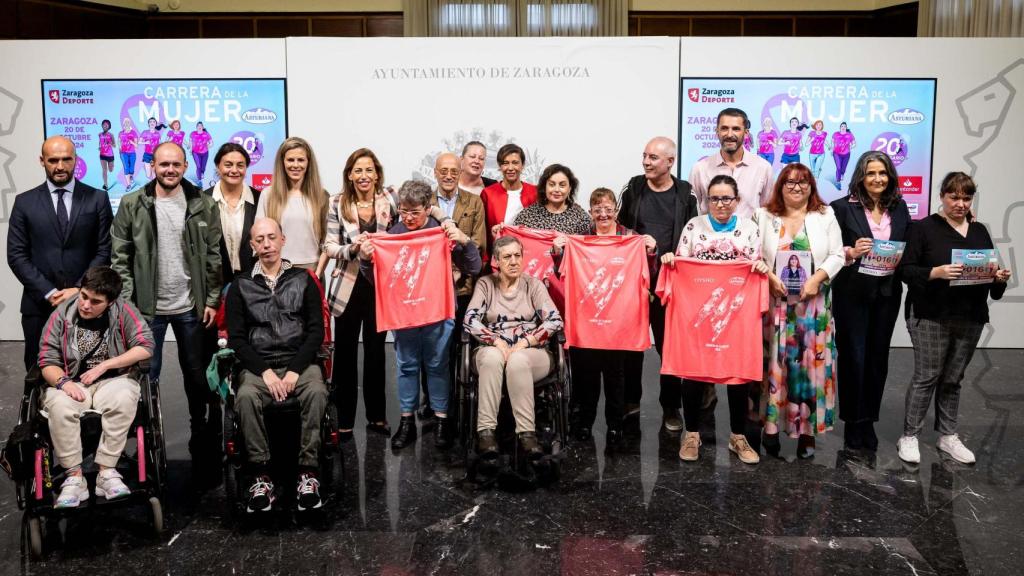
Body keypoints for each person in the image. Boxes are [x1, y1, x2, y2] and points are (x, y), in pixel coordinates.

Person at [111, 141, 223, 463]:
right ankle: (147, 433)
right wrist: (129, 304)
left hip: (191, 306)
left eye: (176, 164)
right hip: (148, 310)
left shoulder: (202, 203)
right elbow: (120, 258)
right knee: (148, 374)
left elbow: (214, 257)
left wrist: (212, 299)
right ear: (153, 166)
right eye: (163, 165)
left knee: (196, 374)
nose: (170, 170)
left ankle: (198, 428)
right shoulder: (132, 204)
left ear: (185, 166)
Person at [896, 172, 1011, 465]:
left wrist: (998, 278)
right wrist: (935, 273)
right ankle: (909, 435)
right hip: (930, 314)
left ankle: (948, 435)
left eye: (966, 198)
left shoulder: (979, 231)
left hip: (970, 315)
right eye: (954, 197)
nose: (960, 203)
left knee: (953, 378)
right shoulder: (922, 228)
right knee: (927, 376)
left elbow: (991, 281)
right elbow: (906, 270)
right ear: (942, 197)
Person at [358, 180, 481, 449]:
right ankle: (406, 421)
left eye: (415, 212)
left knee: (438, 366)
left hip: (437, 312)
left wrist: (465, 241)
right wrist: (366, 260)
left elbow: (474, 266)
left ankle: (441, 420)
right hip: (404, 315)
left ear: (429, 208)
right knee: (407, 366)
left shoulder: (441, 232)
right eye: (403, 211)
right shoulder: (393, 235)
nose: (408, 218)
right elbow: (377, 279)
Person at [661, 175, 766, 465]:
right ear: (707, 200)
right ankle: (692, 433)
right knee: (693, 373)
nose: (720, 204)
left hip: (736, 313)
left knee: (738, 374)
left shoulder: (749, 229)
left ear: (737, 200)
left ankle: (737, 436)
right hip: (699, 313)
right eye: (715, 198)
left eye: (726, 198)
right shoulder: (694, 226)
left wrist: (758, 266)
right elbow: (681, 262)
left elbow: (756, 263)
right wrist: (671, 260)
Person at [225, 217, 329, 512]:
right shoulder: (240, 286)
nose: (267, 244)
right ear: (252, 245)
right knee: (244, 397)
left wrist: (295, 370)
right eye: (260, 239)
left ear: (283, 240)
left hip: (299, 361)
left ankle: (308, 472)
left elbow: (315, 331)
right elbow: (237, 339)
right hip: (259, 366)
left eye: (272, 237)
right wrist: (266, 372)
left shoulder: (304, 279)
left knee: (317, 392)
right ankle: (260, 475)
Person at [38, 266, 154, 509]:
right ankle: (74, 477)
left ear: (110, 302)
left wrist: (106, 365)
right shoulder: (62, 314)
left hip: (112, 381)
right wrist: (63, 382)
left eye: (95, 301)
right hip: (70, 381)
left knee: (124, 396)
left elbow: (145, 346)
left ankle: (106, 472)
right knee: (59, 405)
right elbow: (46, 360)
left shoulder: (124, 311)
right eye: (83, 296)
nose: (86, 305)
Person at [755, 162, 844, 459]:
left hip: (813, 310)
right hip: (775, 307)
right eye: (790, 182)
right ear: (780, 186)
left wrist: (817, 279)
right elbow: (754, 254)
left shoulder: (824, 215)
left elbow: (837, 255)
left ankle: (807, 434)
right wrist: (769, 277)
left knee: (810, 370)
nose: (796, 187)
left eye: (803, 182)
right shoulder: (764, 216)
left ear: (811, 186)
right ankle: (771, 429)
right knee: (774, 369)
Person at [557, 187, 656, 451]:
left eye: (608, 208)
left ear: (616, 210)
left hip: (619, 324)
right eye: (597, 209)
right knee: (585, 377)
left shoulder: (631, 238)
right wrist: (559, 250)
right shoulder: (580, 240)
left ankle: (615, 425)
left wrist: (651, 250)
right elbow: (562, 272)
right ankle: (584, 423)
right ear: (590, 212)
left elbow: (649, 273)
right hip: (587, 322)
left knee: (616, 377)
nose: (603, 214)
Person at [8, 136, 113, 370]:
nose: (60, 166)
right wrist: (50, 292)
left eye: (67, 159)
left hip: (88, 303)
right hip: (39, 305)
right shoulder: (24, 202)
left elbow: (104, 249)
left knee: (87, 370)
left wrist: (78, 290)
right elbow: (16, 255)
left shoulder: (97, 198)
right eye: (53, 160)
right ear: (42, 161)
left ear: (76, 160)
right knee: (38, 370)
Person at [830, 151, 911, 451]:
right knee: (853, 357)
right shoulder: (840, 208)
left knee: (878, 358)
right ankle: (853, 421)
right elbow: (830, 247)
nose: (877, 179)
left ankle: (869, 420)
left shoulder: (900, 208)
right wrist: (850, 250)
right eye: (871, 173)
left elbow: (910, 242)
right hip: (852, 293)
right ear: (860, 177)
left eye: (882, 173)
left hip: (887, 294)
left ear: (890, 176)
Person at [617, 136, 698, 433]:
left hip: (670, 285)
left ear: (670, 163)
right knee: (630, 347)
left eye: (653, 157)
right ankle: (630, 402)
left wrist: (675, 259)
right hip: (635, 283)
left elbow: (692, 236)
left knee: (669, 348)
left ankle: (671, 408)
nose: (646, 162)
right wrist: (639, 242)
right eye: (645, 155)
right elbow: (620, 229)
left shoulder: (686, 194)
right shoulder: (634, 187)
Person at [465, 235, 563, 461]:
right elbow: (470, 320)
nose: (513, 261)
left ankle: (527, 434)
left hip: (531, 352)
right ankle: (486, 433)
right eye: (507, 257)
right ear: (497, 261)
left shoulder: (533, 285)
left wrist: (525, 342)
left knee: (518, 361)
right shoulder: (486, 284)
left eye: (517, 255)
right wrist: (495, 341)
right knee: (492, 358)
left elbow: (554, 321)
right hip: (492, 348)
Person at [324, 148, 394, 440]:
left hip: (379, 288)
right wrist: (353, 249)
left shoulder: (390, 200)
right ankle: (344, 421)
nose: (364, 176)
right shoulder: (336, 203)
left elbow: (410, 226)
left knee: (377, 354)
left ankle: (377, 418)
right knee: (346, 356)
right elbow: (328, 246)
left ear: (377, 173)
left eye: (369, 170)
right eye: (358, 170)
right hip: (347, 288)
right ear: (350, 175)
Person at [423, 152, 487, 420]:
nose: (448, 175)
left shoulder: (474, 202)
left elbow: (478, 242)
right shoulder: (424, 203)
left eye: (453, 171)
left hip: (463, 288)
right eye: (443, 171)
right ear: (435, 173)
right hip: (429, 290)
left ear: (460, 172)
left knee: (459, 348)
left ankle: (458, 406)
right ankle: (432, 403)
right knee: (432, 349)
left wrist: (459, 270)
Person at [256, 137, 329, 273]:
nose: (295, 165)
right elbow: (259, 237)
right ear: (282, 162)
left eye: (301, 160)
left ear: (308, 163)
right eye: (290, 160)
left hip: (311, 269)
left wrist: (318, 272)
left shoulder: (322, 196)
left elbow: (329, 241)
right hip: (277, 270)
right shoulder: (268, 195)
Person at [689, 107, 773, 219]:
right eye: (724, 128)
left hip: (751, 236)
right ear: (717, 132)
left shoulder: (763, 167)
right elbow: (690, 211)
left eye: (736, 129)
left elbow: (768, 212)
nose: (729, 134)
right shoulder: (700, 168)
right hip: (710, 235)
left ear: (746, 133)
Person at [206, 142, 261, 285]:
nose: (234, 170)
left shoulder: (260, 199)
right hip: (214, 283)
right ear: (218, 167)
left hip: (253, 282)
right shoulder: (203, 200)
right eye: (228, 165)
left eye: (240, 165)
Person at [510, 163, 592, 238]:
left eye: (562, 185)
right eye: (552, 185)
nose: (556, 189)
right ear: (544, 187)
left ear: (570, 189)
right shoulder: (527, 216)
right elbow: (513, 242)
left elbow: (589, 245)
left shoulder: (580, 217)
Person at [481, 143, 537, 250]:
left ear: (523, 165)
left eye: (515, 163)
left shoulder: (534, 192)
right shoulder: (488, 193)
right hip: (498, 253)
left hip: (529, 252)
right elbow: (482, 229)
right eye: (505, 163)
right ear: (500, 166)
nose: (510, 168)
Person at [187, 122, 213, 188]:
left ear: (203, 127)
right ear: (196, 127)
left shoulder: (206, 134)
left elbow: (211, 142)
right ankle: (199, 180)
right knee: (198, 166)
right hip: (195, 152)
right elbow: (190, 142)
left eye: (201, 125)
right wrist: (190, 149)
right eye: (198, 125)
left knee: (203, 167)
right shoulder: (193, 134)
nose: (199, 126)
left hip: (205, 153)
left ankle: (202, 173)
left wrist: (208, 146)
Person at [118, 118, 138, 192]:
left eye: (128, 122)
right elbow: (119, 142)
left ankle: (131, 176)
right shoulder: (121, 133)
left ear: (130, 123)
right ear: (123, 124)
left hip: (132, 153)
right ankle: (128, 185)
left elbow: (136, 145)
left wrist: (132, 142)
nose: (126, 123)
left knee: (131, 168)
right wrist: (119, 150)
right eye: (125, 122)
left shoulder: (133, 133)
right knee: (126, 167)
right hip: (123, 153)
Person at [98, 119, 115, 191]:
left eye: (106, 125)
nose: (105, 126)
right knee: (104, 170)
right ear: (102, 126)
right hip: (102, 155)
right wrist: (99, 147)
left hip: (110, 155)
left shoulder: (111, 135)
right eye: (104, 124)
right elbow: (100, 143)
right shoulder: (99, 134)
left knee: (110, 170)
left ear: (109, 126)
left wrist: (111, 143)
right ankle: (106, 184)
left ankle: (111, 167)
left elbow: (114, 145)